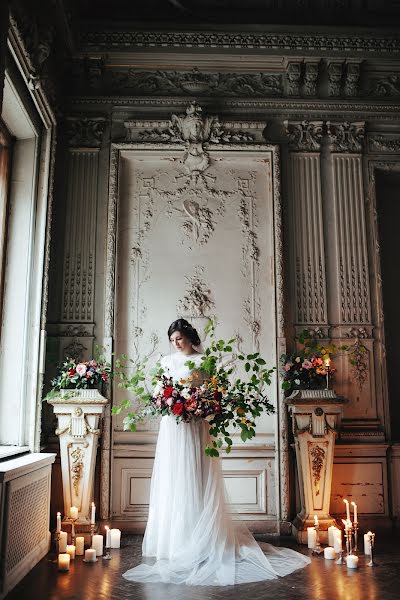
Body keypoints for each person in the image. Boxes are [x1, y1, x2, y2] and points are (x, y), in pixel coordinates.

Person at [123, 318, 311, 586]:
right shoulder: (165, 362)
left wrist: (196, 406)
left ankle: (200, 540)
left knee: (196, 477)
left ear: (189, 337)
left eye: (179, 339)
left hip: (195, 427)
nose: (176, 344)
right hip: (172, 429)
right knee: (173, 479)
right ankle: (174, 544)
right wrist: (166, 400)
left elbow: (212, 397)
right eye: (172, 340)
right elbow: (157, 394)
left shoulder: (204, 361)